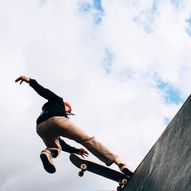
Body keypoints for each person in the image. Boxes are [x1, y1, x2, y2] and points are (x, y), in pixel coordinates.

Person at [15, 75, 133, 176]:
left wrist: (76, 151)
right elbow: (44, 91)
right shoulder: (58, 101)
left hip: (40, 127)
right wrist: (31, 81)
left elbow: (62, 144)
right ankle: (118, 162)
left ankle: (47, 153)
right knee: (88, 140)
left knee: (55, 146)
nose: (68, 113)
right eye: (69, 111)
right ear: (66, 107)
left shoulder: (45, 110)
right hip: (57, 120)